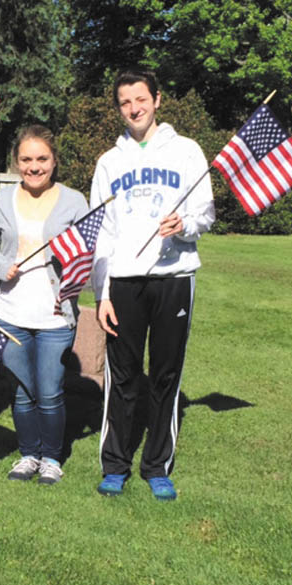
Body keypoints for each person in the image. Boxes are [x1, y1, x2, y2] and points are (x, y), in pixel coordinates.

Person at [90, 69, 215, 500]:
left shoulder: (186, 151)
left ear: (157, 99)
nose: (134, 108)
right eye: (125, 102)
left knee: (165, 375)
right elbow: (101, 232)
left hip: (173, 277)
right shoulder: (109, 161)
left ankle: (157, 465)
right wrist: (102, 293)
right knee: (122, 376)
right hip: (123, 282)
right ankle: (115, 465)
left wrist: (184, 225)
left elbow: (207, 213)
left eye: (140, 99)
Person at [0, 125, 88, 485]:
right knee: (22, 392)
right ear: (16, 162)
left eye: (42, 158)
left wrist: (69, 261)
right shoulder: (1, 200)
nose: (34, 166)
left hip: (55, 316)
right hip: (10, 313)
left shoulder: (73, 202)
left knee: (50, 390)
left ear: (54, 161)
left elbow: (87, 252)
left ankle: (52, 458)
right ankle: (29, 454)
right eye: (26, 159)